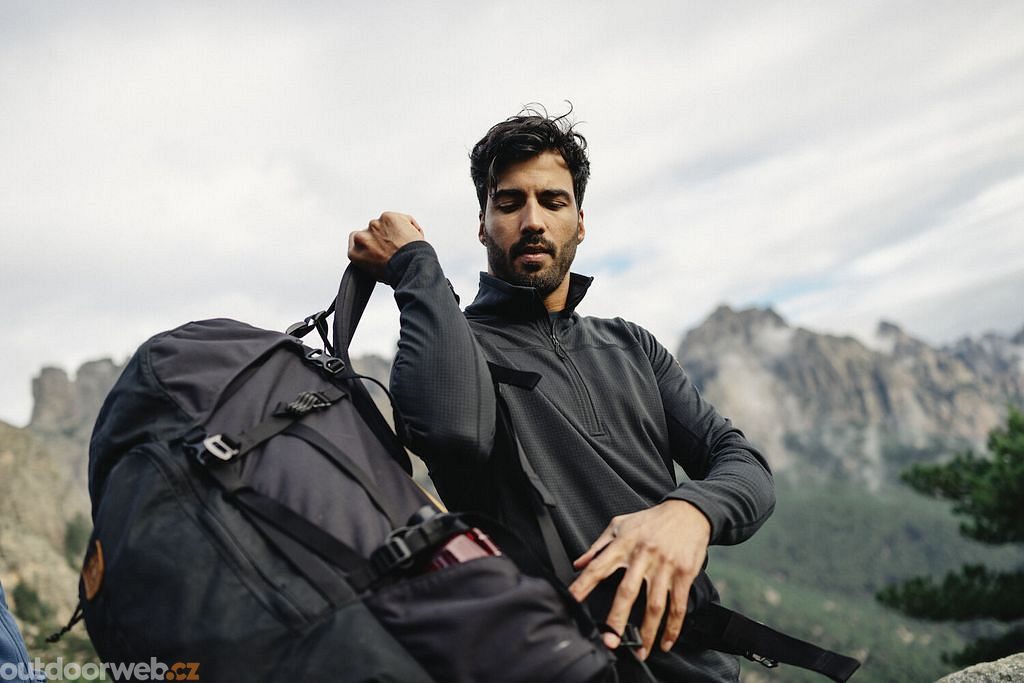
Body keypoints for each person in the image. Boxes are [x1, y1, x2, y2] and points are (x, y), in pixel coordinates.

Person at [348, 108, 775, 681]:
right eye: (509, 203)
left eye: (553, 201)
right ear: (482, 226)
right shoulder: (456, 350)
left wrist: (690, 512)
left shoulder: (631, 345)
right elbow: (452, 430)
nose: (533, 221)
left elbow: (743, 463)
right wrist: (414, 268)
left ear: (579, 221)